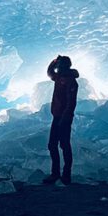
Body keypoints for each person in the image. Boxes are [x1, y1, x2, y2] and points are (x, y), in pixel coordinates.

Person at [43, 55, 79, 185]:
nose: (57, 69)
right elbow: (49, 72)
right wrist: (53, 61)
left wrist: (64, 118)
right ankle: (56, 174)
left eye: (59, 66)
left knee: (64, 145)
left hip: (64, 118)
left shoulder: (71, 81)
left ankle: (66, 175)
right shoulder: (59, 77)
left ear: (65, 67)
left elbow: (71, 102)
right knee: (52, 145)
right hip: (57, 116)